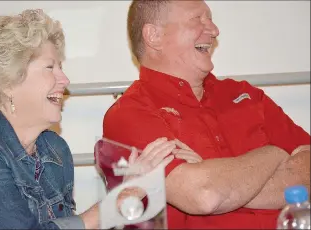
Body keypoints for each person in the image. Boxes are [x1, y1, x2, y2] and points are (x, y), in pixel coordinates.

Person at [0, 9, 195, 229]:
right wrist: (122, 197)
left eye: (61, 67)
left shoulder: (55, 149)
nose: (64, 80)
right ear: (7, 82)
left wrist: (131, 185)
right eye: (50, 67)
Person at [100, 0, 311, 229]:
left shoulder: (245, 95)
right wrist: (276, 153)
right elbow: (204, 195)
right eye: (198, 19)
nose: (214, 30)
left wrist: (224, 185)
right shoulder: (129, 115)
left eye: (210, 19)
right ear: (154, 36)